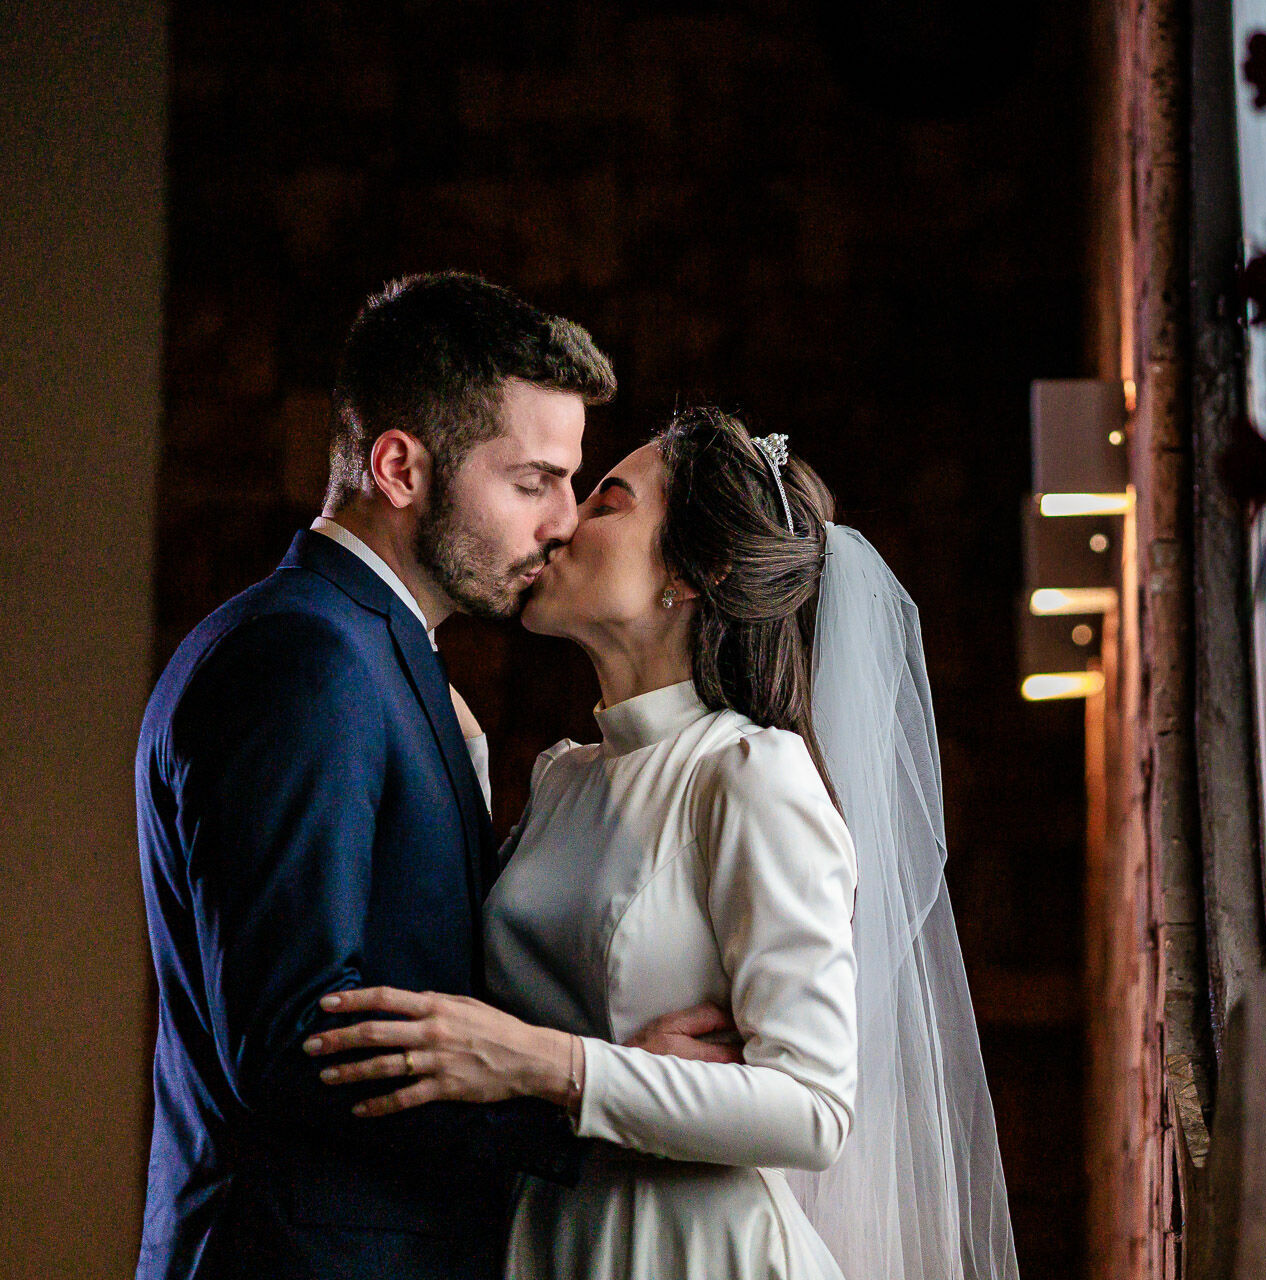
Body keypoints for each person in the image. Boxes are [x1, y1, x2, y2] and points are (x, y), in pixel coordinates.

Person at [305, 408, 1021, 1280]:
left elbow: (813, 1109)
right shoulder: (564, 776)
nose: (563, 522)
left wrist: (551, 1065)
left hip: (694, 1251)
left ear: (692, 569)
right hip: (552, 1239)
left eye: (607, 501)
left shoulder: (751, 776)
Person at [136, 273, 722, 1280]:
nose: (561, 523)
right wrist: (581, 1102)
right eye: (532, 480)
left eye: (572, 484)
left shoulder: (367, 654)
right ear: (400, 466)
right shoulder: (307, 661)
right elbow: (294, 1042)